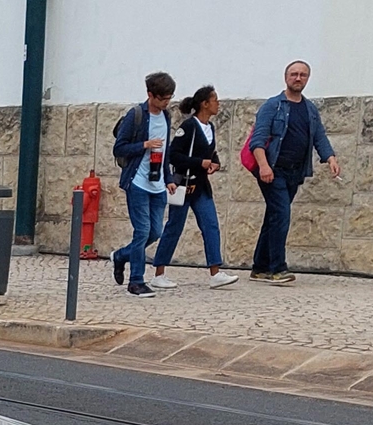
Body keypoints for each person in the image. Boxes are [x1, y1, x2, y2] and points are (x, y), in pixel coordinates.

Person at [246, 59, 339, 284]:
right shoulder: (273, 106)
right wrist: (264, 166)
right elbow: (257, 140)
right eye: (294, 74)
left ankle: (260, 267)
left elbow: (319, 136)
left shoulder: (309, 109)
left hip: (295, 173)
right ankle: (277, 268)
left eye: (303, 75)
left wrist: (330, 157)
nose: (298, 78)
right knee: (281, 216)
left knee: (274, 217)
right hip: (272, 171)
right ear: (286, 77)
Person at [151, 85, 238, 289]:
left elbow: (209, 151)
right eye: (214, 100)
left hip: (201, 186)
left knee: (211, 225)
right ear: (204, 104)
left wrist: (214, 162)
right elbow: (174, 155)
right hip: (184, 185)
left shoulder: (211, 127)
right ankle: (159, 272)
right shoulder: (189, 127)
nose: (218, 104)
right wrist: (200, 163)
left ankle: (215, 272)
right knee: (174, 227)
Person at [108, 70, 175, 298]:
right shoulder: (135, 115)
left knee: (155, 232)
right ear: (150, 95)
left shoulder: (166, 116)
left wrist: (169, 179)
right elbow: (119, 148)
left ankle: (120, 256)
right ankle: (136, 281)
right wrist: (144, 145)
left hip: (157, 183)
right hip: (137, 181)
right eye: (162, 98)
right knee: (142, 231)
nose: (166, 103)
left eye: (169, 98)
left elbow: (164, 151)